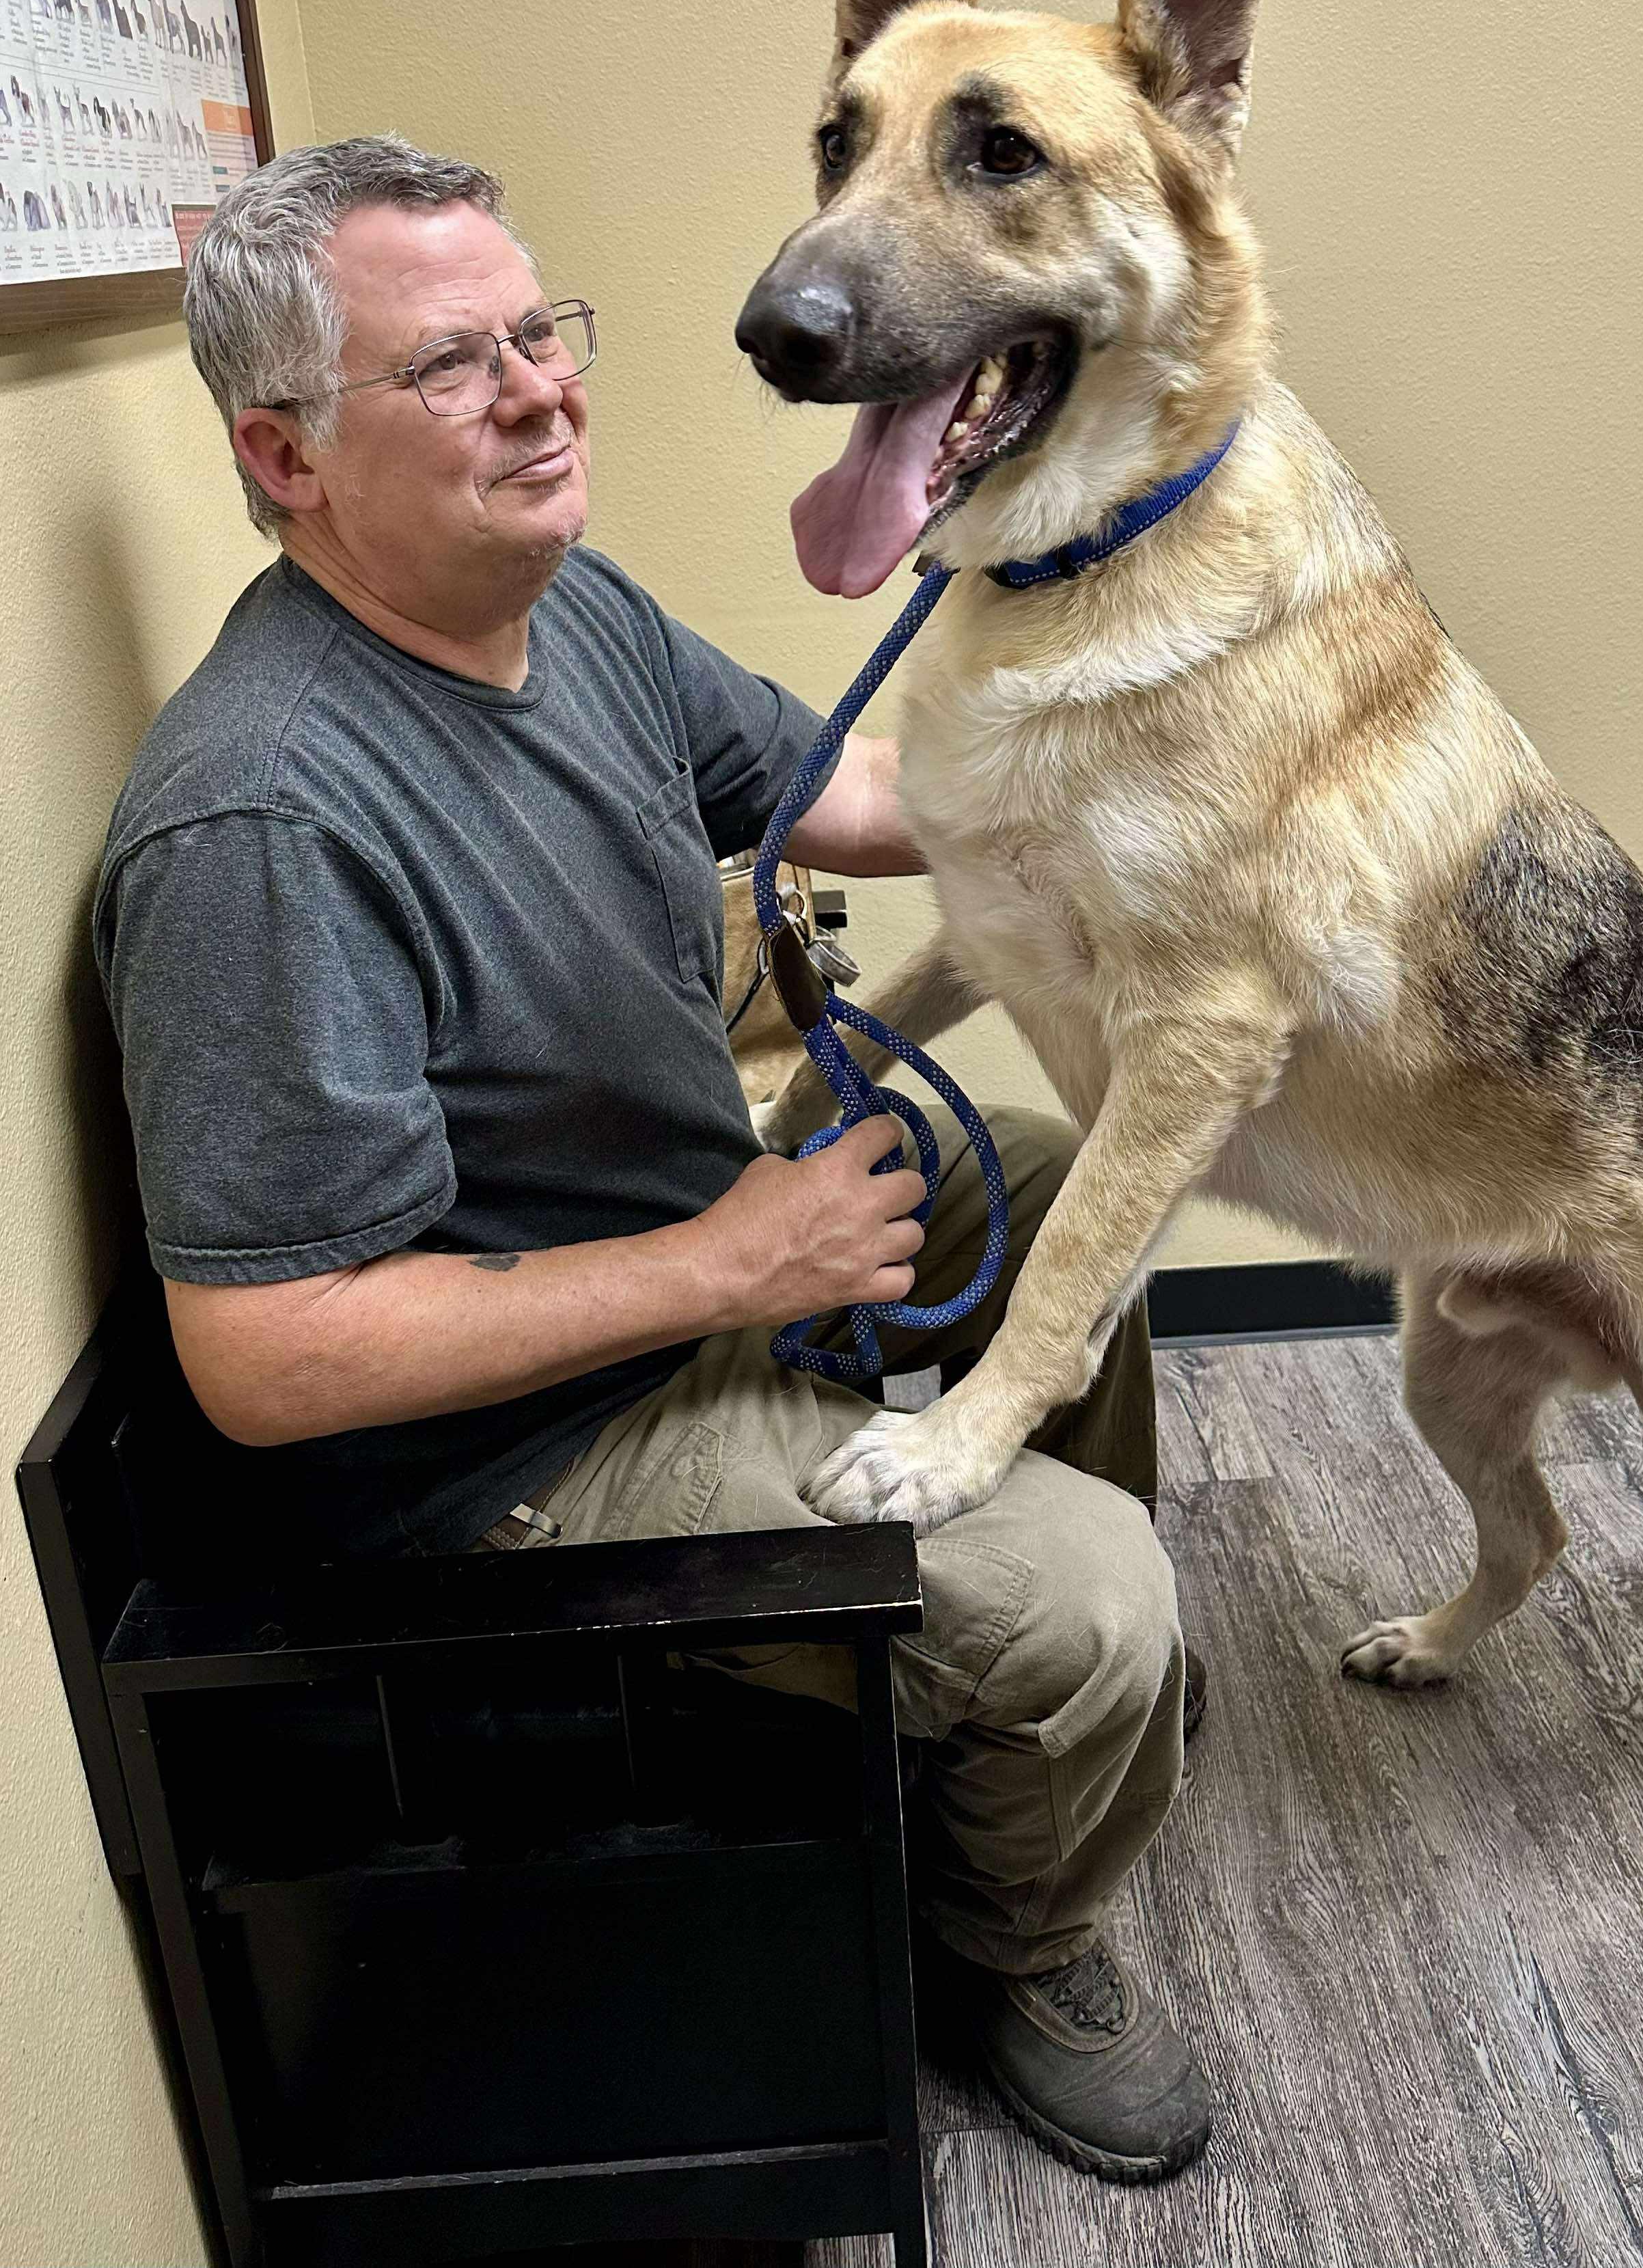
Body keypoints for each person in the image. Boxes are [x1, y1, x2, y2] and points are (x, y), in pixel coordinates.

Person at [94, 135, 1209, 2185]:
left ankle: (1014, 1733)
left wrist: (1136, 774)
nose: (538, 388)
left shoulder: (566, 606)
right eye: (449, 366)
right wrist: (733, 1266)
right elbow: (271, 1361)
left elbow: (842, 790)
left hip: (694, 1252)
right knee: (1097, 1597)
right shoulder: (261, 827)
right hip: (508, 1465)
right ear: (283, 460)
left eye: (541, 329)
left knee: (1063, 1182)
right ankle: (1017, 1921)